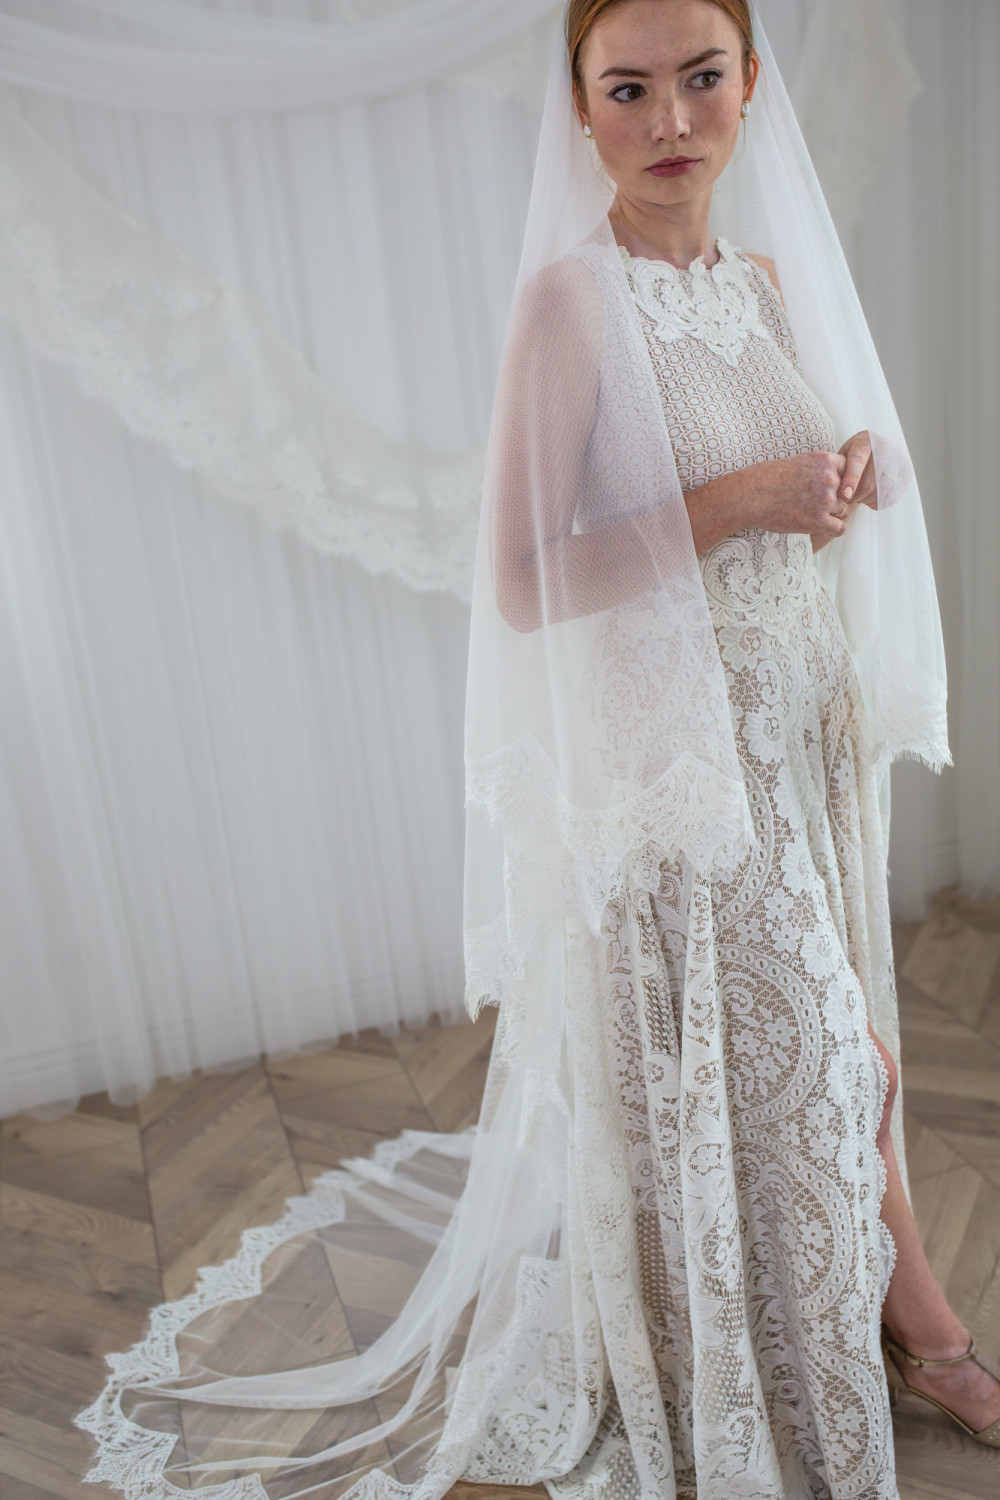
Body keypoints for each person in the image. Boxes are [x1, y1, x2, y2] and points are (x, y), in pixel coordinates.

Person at [76, 3, 998, 1499]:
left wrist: (834, 486)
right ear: (580, 109)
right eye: (628, 89)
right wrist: (747, 503)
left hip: (798, 752)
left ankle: (863, 1320)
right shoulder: (573, 306)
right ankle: (908, 1332)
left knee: (828, 1068)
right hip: (684, 780)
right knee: (839, 1064)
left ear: (751, 85)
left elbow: (775, 514)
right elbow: (521, 578)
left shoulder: (762, 287)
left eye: (701, 79)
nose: (670, 120)